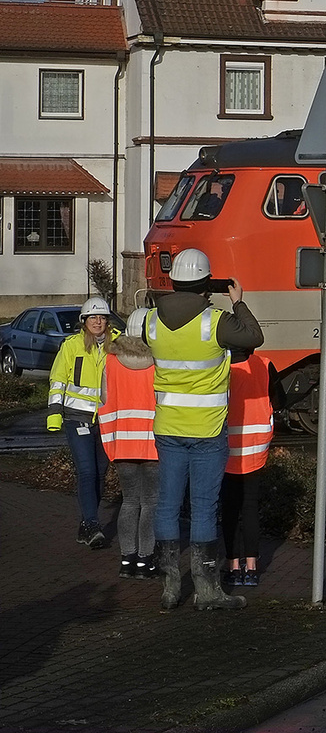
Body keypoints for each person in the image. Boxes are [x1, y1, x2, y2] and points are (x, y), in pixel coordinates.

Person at [144, 248, 263, 611]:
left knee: (166, 504)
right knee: (203, 509)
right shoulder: (216, 321)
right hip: (208, 431)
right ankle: (207, 590)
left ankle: (169, 587)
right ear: (205, 284)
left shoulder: (149, 320)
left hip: (167, 427)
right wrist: (238, 303)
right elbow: (253, 338)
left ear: (175, 281)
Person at [46, 297, 119, 547]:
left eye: (102, 318)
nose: (97, 322)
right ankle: (92, 524)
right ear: (84, 321)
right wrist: (55, 413)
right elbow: (58, 380)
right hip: (77, 417)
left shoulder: (117, 344)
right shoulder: (71, 346)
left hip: (107, 419)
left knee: (100, 473)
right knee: (87, 471)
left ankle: (86, 524)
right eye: (92, 318)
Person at [100, 330, 161, 578]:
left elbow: (103, 399)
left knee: (129, 502)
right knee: (150, 503)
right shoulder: (159, 361)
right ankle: (145, 560)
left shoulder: (111, 362)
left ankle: (127, 559)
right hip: (153, 444)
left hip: (122, 443)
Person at [221, 349, 273, 587]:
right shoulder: (264, 364)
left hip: (226, 447)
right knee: (251, 507)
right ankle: (252, 567)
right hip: (256, 445)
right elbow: (280, 399)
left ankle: (232, 566)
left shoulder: (220, 364)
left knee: (230, 509)